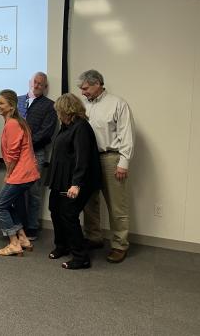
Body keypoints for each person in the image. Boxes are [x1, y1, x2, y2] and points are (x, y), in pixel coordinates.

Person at [79, 69, 134, 263]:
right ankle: (93, 237)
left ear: (97, 84)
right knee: (89, 201)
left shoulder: (118, 103)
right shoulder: (83, 106)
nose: (82, 92)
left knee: (117, 205)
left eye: (85, 88)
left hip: (111, 158)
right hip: (89, 159)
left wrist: (124, 162)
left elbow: (126, 134)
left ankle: (120, 245)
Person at [47, 93, 102, 269]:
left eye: (59, 111)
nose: (58, 115)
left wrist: (76, 184)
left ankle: (81, 257)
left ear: (67, 110)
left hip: (75, 181)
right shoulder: (66, 126)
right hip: (60, 179)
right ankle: (62, 245)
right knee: (55, 210)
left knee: (69, 214)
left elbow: (83, 157)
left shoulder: (81, 127)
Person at [0, 89, 40, 256]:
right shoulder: (17, 122)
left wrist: (8, 174)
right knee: (7, 204)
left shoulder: (13, 124)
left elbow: (13, 155)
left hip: (21, 174)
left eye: (1, 103)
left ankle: (14, 243)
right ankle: (23, 238)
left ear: (11, 106)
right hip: (26, 173)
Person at [17, 72, 57, 240]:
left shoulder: (50, 106)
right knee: (17, 191)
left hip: (36, 153)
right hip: (16, 153)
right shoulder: (18, 101)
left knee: (34, 192)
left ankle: (32, 226)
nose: (36, 85)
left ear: (45, 87)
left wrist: (26, 144)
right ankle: (19, 225)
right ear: (29, 82)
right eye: (34, 82)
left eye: (40, 83)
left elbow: (46, 132)